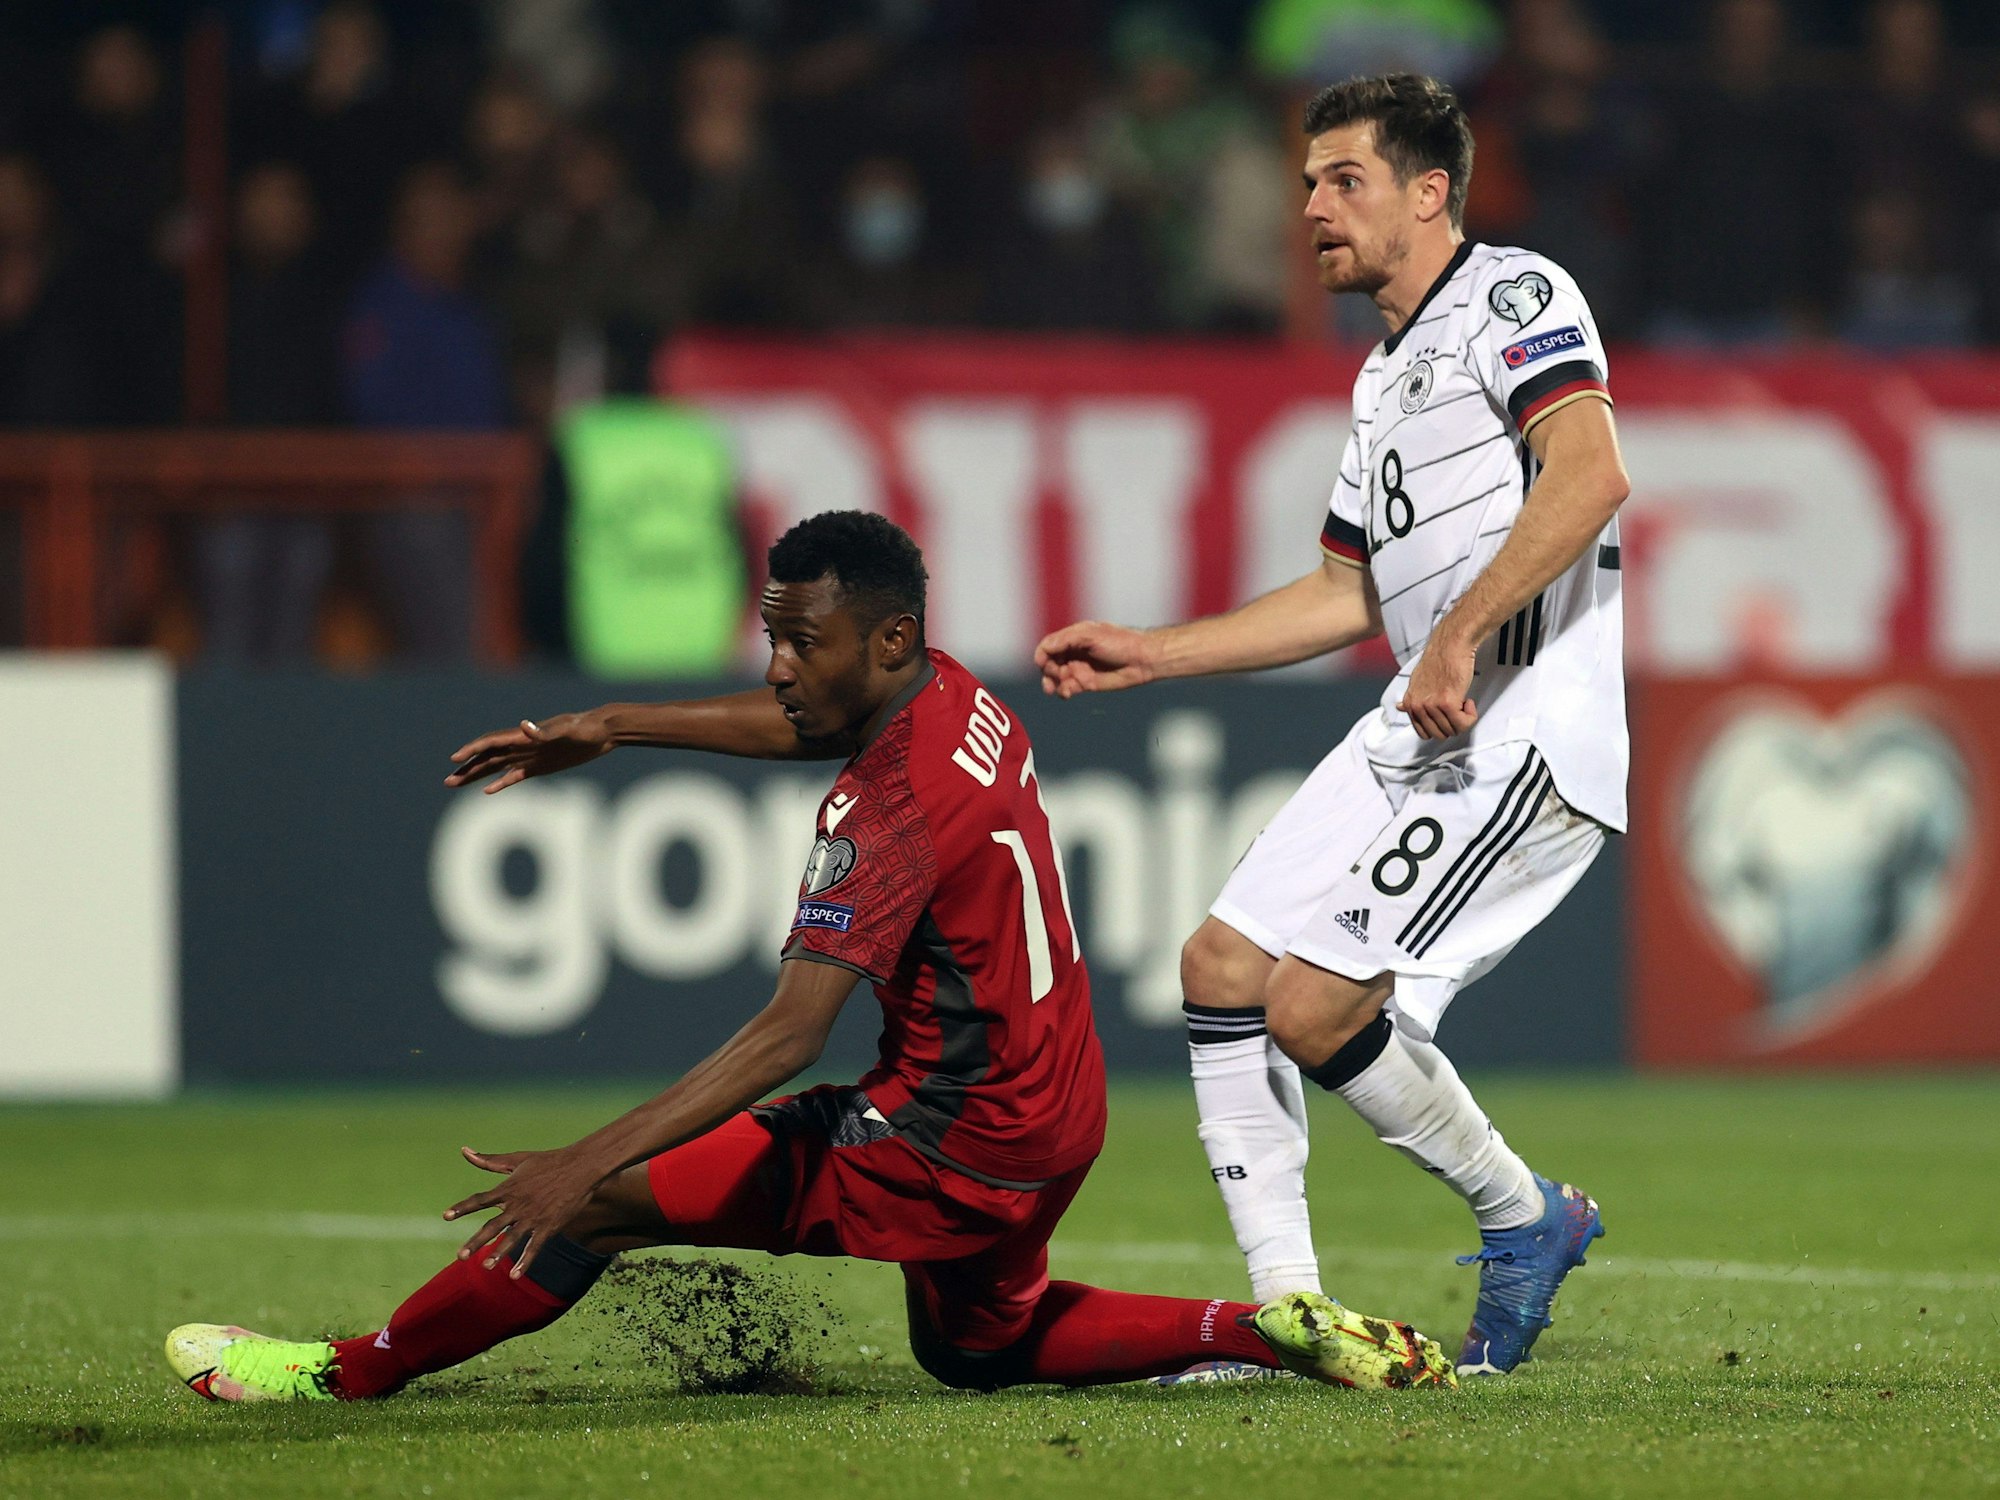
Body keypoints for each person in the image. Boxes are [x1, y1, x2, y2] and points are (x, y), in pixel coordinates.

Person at [163, 511, 1456, 1403]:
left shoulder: (881, 813)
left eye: (801, 644)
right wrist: (615, 725)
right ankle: (1259, 1329)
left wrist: (589, 1159)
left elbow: (790, 1034)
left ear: (883, 641)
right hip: (1058, 1113)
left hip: (947, 1136)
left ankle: (344, 1373)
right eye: (773, 638)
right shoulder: (955, 694)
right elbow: (813, 724)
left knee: (603, 1208)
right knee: (978, 1348)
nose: (778, 666)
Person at [1036, 73, 1629, 1378]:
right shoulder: (1381, 377)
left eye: (1344, 180)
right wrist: (1155, 652)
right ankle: (1288, 1315)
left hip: (1527, 725)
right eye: (1308, 182)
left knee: (1312, 1006)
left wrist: (1461, 633)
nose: (1312, 206)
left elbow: (1590, 474)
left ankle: (1524, 1215)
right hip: (1424, 722)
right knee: (1220, 967)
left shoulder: (1515, 295)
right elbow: (1342, 591)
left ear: (1429, 194)